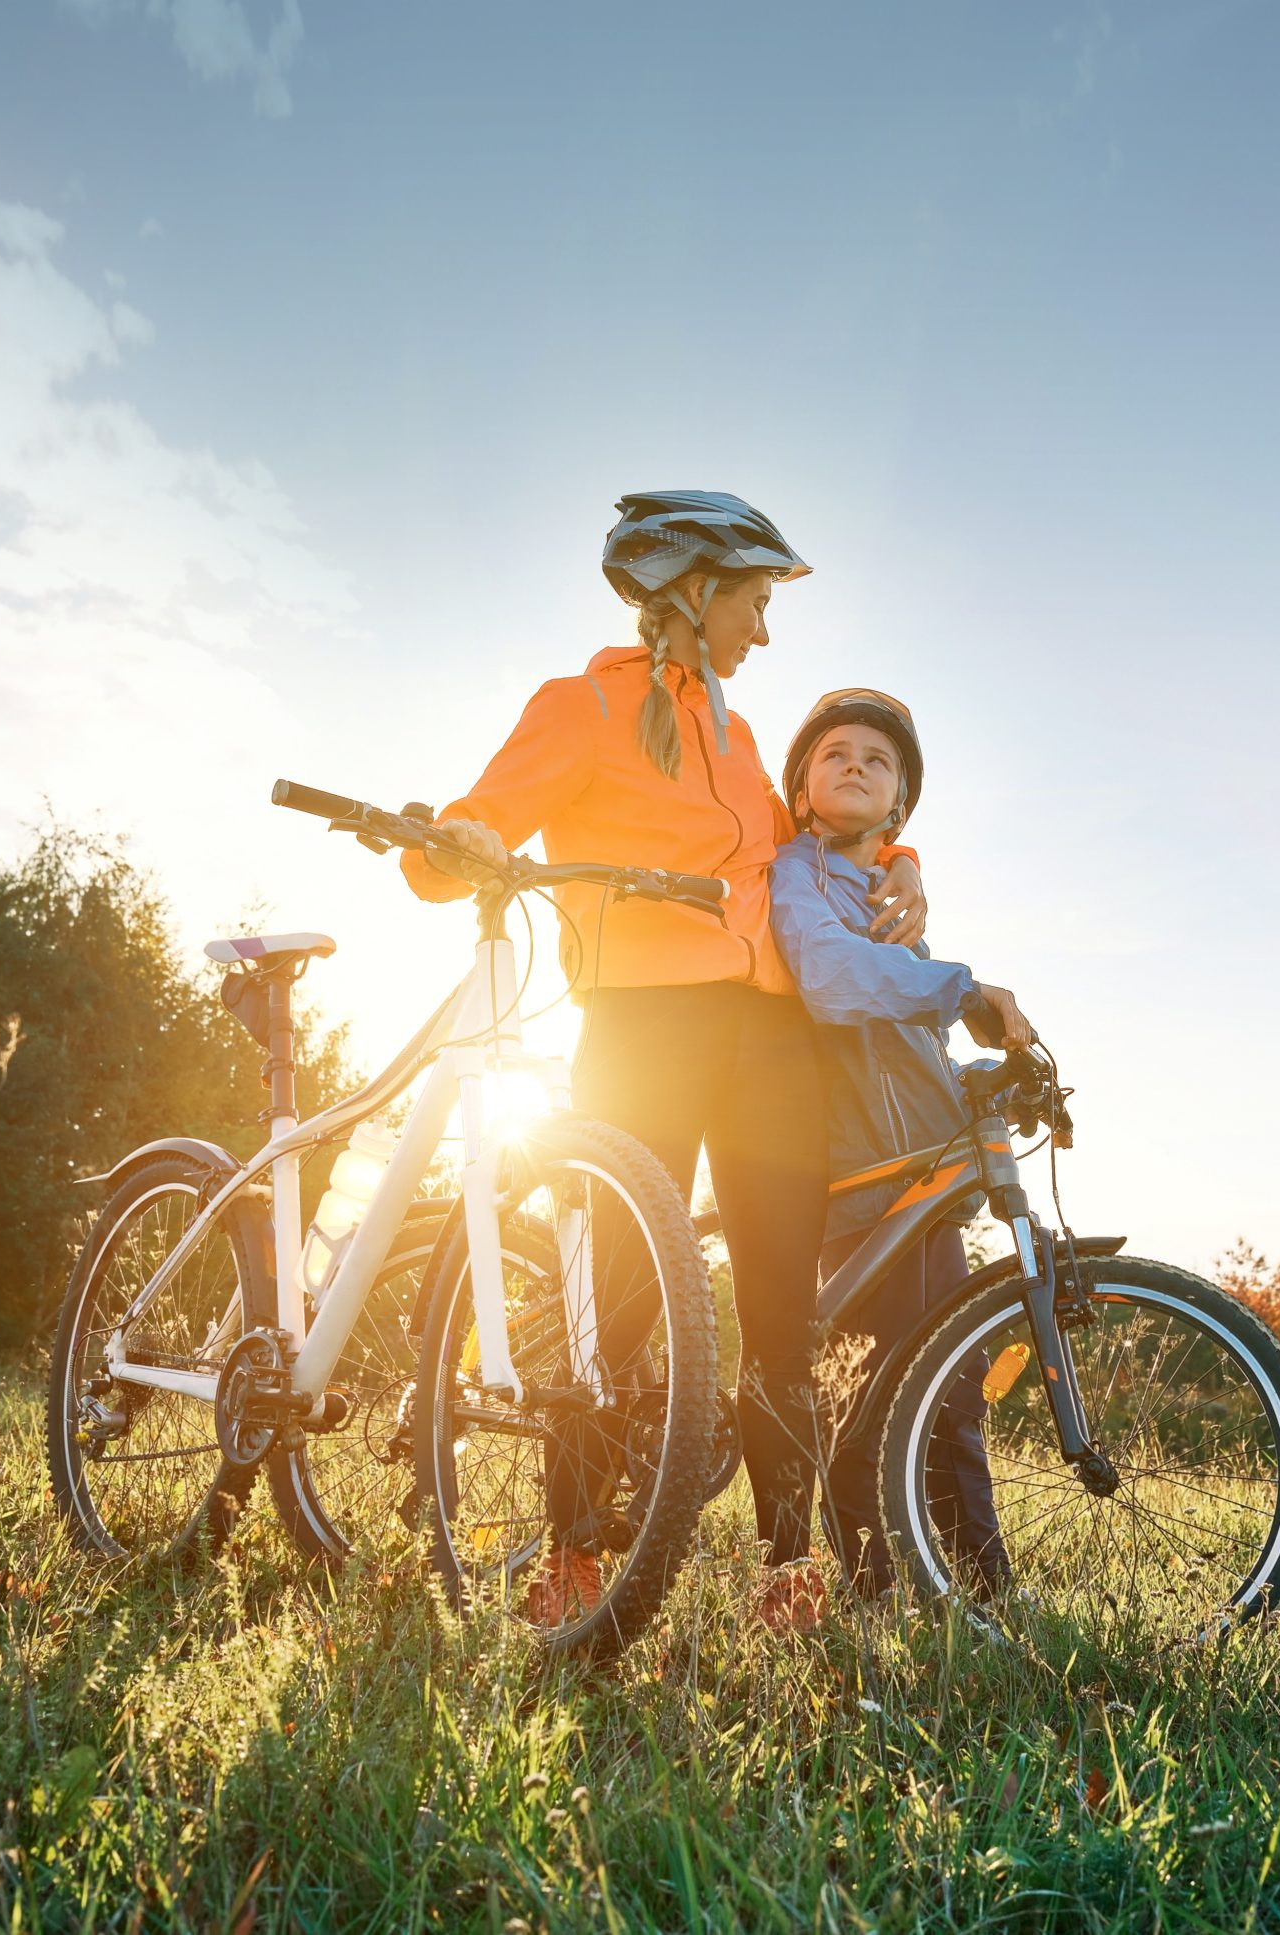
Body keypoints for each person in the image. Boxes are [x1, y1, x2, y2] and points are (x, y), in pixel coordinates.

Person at [400, 491, 926, 1634]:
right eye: (752, 603)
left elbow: (813, 841)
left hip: (770, 1042)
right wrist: (468, 843)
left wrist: (907, 862)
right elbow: (470, 828)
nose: (764, 634)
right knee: (617, 1314)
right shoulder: (582, 705)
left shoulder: (739, 741)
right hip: (643, 1023)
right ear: (692, 592)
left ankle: (786, 1574)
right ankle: (576, 1555)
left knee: (781, 1315)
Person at [769, 689, 1025, 1596]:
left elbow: (913, 1046)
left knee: (952, 1387)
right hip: (853, 1174)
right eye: (834, 751)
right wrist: (961, 987)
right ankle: (870, 1585)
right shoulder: (793, 873)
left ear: (899, 806)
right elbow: (836, 981)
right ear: (801, 784)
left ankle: (981, 1585)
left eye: (878, 761)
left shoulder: (894, 894)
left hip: (927, 1176)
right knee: (867, 1389)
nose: (854, 765)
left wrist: (978, 1081)